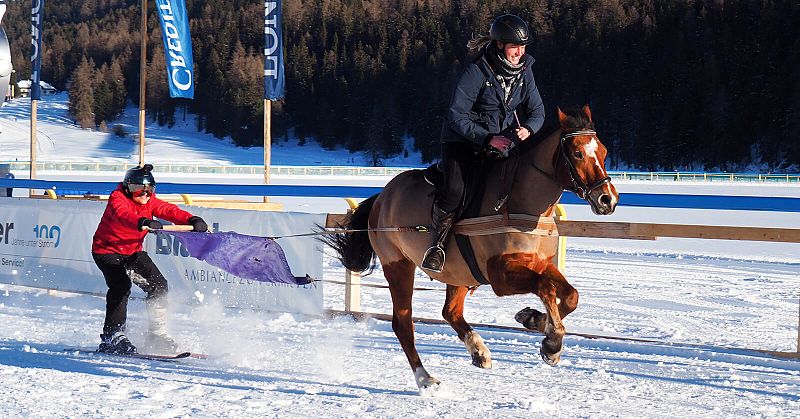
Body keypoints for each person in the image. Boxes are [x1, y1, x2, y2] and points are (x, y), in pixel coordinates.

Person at [421, 14, 546, 272]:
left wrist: (529, 130)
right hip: (461, 140)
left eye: (523, 47)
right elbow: (457, 114)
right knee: (455, 190)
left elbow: (538, 112)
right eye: (514, 47)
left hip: (500, 143)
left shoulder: (526, 71)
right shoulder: (477, 70)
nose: (519, 53)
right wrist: (488, 138)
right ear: (500, 45)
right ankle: (438, 245)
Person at [91, 164, 207, 354]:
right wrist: (142, 221)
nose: (144, 194)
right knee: (120, 287)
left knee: (159, 285)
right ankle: (113, 335)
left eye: (149, 189)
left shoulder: (150, 201)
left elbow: (169, 210)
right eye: (138, 189)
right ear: (128, 187)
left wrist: (191, 219)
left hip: (133, 251)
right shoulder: (117, 198)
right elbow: (123, 215)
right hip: (107, 251)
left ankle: (157, 333)